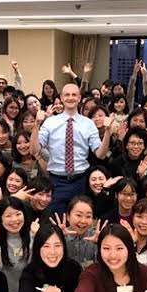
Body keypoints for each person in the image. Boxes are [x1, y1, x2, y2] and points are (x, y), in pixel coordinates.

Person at [31, 83, 113, 215]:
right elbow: (34, 150)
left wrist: (108, 131)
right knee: (57, 220)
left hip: (80, 180)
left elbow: (100, 154)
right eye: (67, 95)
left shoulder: (88, 123)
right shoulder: (50, 122)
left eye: (74, 95)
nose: (70, 98)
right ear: (61, 98)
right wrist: (37, 125)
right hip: (57, 181)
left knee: (80, 220)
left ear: (79, 98)